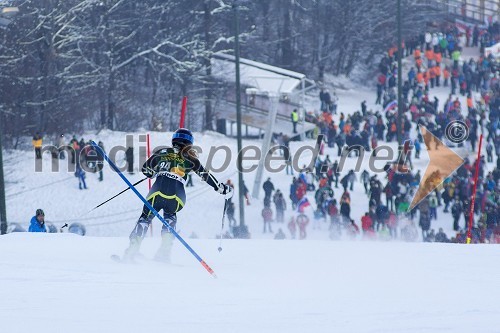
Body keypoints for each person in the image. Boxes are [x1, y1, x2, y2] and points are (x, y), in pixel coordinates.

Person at [122, 128, 233, 262]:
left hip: (157, 192)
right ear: (189, 144)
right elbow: (206, 176)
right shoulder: (192, 159)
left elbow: (146, 170)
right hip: (177, 196)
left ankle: (132, 250)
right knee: (170, 217)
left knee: (145, 218)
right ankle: (164, 252)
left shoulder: (162, 152)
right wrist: (221, 189)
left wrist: (153, 172)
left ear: (174, 140)